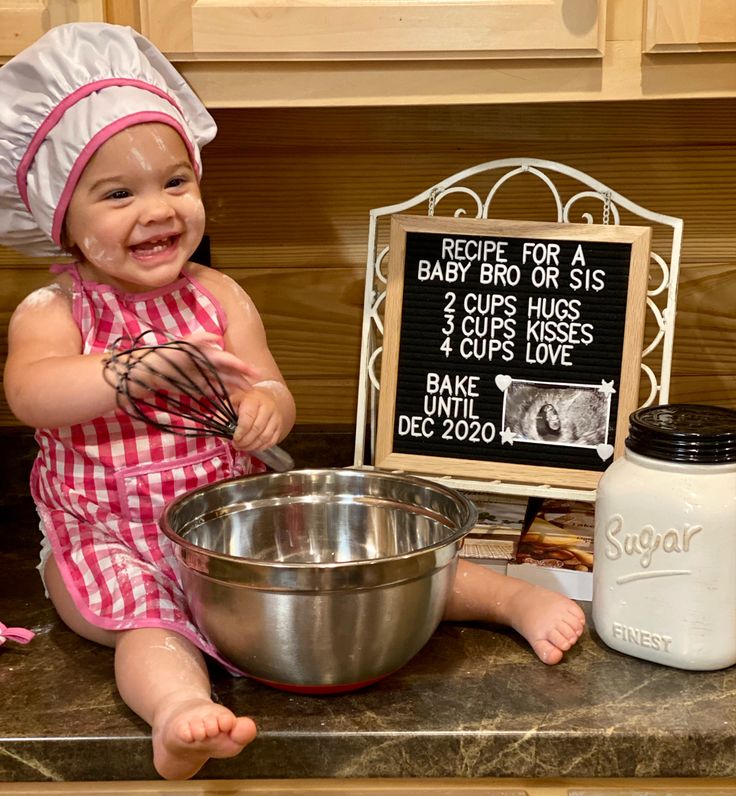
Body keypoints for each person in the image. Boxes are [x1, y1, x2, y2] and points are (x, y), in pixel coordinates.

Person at [0, 23, 584, 781]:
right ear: (60, 217)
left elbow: (268, 385)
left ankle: (509, 599)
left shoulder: (217, 294)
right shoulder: (53, 311)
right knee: (153, 624)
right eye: (119, 193)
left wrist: (266, 409)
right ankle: (178, 713)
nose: (158, 209)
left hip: (227, 516)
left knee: (369, 572)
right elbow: (30, 394)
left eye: (177, 182)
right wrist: (121, 371)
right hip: (109, 533)